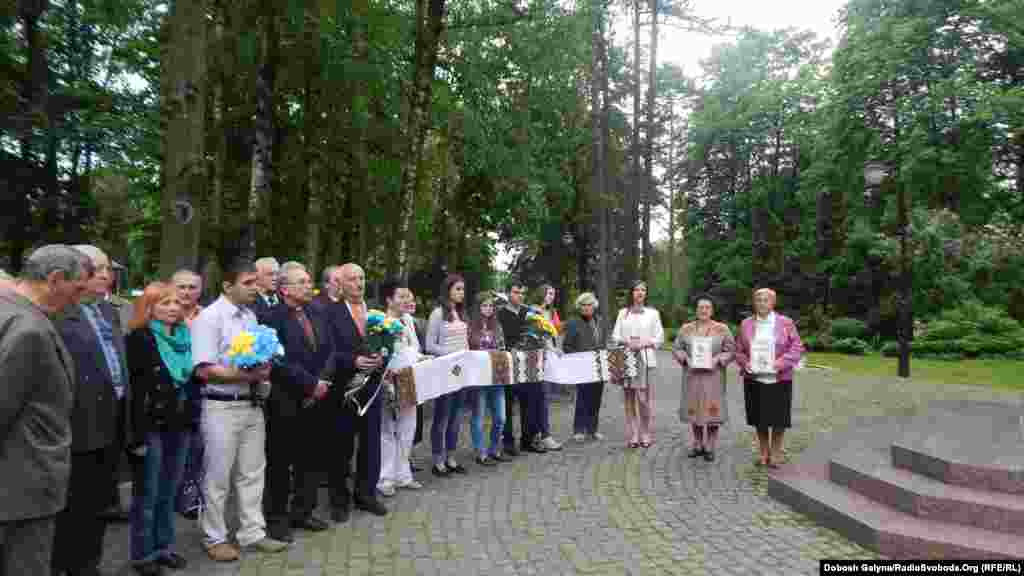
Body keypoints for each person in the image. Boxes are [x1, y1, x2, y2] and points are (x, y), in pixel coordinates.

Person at [191, 258, 289, 562]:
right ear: (227, 286)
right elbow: (204, 369)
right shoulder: (209, 318)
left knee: (252, 471)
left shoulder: (250, 316)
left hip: (251, 403)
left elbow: (258, 356)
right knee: (217, 476)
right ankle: (214, 537)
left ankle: (252, 532)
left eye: (256, 283)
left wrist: (264, 368)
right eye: (248, 283)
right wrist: (246, 375)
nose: (255, 288)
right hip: (220, 405)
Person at [0, 245, 88, 576]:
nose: (79, 300)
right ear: (55, 279)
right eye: (77, 289)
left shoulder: (9, 310)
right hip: (23, 484)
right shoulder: (29, 329)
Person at [53, 245, 134, 576]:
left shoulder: (107, 310)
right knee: (74, 508)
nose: (104, 275)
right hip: (78, 429)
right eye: (95, 269)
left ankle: (89, 565)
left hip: (111, 423)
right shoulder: (57, 314)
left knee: (100, 506)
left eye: (107, 269)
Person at [124, 282, 200, 575]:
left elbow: (192, 381)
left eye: (176, 303)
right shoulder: (139, 338)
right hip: (151, 425)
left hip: (180, 424)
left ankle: (163, 547)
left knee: (169, 491)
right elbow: (134, 391)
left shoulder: (185, 336)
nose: (172, 308)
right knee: (148, 493)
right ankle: (143, 554)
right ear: (149, 307)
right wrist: (136, 435)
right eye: (164, 303)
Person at [262, 262, 334, 542]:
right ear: (284, 289)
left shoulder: (317, 311)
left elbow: (329, 350)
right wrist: (309, 384)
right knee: (280, 462)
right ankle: (277, 518)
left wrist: (322, 381)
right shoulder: (271, 318)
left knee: (311, 457)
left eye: (309, 281)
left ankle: (303, 511)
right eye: (301, 282)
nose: (308, 286)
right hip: (287, 399)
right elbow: (278, 360)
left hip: (318, 397)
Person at [319, 263, 388, 521]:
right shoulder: (330, 312)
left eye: (362, 278)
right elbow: (327, 351)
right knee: (341, 446)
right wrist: (353, 361)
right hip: (344, 389)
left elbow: (387, 343)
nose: (359, 283)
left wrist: (383, 356)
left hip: (372, 389)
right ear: (341, 284)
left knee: (371, 443)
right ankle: (339, 500)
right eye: (352, 279)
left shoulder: (376, 312)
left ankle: (366, 494)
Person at [734, 288, 804, 469]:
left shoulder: (785, 323)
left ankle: (776, 452)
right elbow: (738, 350)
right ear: (754, 303)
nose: (762, 303)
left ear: (773, 303)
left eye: (766, 300)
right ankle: (763, 452)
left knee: (779, 418)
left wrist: (780, 363)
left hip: (779, 378)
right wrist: (745, 363)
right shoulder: (746, 324)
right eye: (758, 299)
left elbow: (797, 347)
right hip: (755, 378)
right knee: (759, 417)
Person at [672, 296, 735, 462]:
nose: (704, 310)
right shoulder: (686, 329)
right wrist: (686, 358)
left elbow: (731, 350)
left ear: (712, 310)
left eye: (707, 307)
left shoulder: (722, 329)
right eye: (701, 307)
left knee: (713, 410)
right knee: (696, 409)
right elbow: (677, 348)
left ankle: (711, 445)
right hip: (692, 376)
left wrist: (718, 359)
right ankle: (698, 443)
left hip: (713, 377)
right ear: (696, 310)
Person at [377, 280, 425, 496]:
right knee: (387, 430)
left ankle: (403, 475)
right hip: (389, 382)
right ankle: (385, 478)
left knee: (408, 428)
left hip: (411, 380)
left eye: (408, 296)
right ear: (389, 300)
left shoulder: (408, 321)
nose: (407, 301)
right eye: (402, 297)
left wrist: (422, 358)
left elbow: (412, 349)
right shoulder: (381, 323)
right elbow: (381, 354)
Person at [425, 273, 471, 477]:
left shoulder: (462, 313)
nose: (461, 293)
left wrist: (466, 354)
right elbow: (429, 345)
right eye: (457, 289)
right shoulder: (437, 313)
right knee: (442, 415)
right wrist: (452, 354)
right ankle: (438, 461)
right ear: (448, 290)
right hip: (444, 370)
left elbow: (465, 341)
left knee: (457, 415)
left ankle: (451, 458)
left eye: (463, 289)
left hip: (461, 370)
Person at [611, 280, 665, 449]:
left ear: (646, 294)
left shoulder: (653, 314)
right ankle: (633, 433)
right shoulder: (623, 313)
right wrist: (627, 341)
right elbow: (615, 336)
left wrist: (644, 343)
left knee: (643, 399)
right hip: (626, 358)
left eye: (643, 290)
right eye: (636, 290)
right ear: (631, 293)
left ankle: (646, 432)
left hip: (645, 358)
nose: (640, 292)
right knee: (628, 398)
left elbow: (659, 338)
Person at [467, 292, 508, 465]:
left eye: (491, 305)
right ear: (478, 307)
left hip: (497, 375)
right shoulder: (470, 326)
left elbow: (502, 346)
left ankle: (494, 448)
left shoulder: (497, 326)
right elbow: (468, 351)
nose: (488, 309)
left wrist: (500, 352)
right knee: (479, 416)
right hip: (479, 377)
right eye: (484, 305)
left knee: (501, 417)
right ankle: (481, 452)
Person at [563, 292, 605, 442]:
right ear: (579, 307)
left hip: (598, 365)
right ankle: (579, 430)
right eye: (584, 305)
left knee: (596, 398)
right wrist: (578, 358)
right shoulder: (573, 323)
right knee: (582, 397)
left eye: (589, 305)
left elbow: (602, 342)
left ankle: (592, 429)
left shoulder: (599, 321)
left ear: (594, 306)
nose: (587, 307)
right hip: (582, 366)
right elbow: (567, 346)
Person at [498, 281, 529, 456]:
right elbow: (499, 338)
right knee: (508, 403)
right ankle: (508, 442)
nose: (520, 296)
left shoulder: (527, 313)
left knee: (527, 402)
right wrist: (509, 349)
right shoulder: (501, 314)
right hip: (508, 363)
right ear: (508, 293)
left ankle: (527, 440)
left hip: (527, 363)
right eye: (516, 292)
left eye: (522, 293)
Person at [530, 284, 563, 451]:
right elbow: (538, 336)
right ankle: (544, 436)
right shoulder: (534, 311)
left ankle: (541, 435)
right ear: (541, 293)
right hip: (536, 358)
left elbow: (554, 334)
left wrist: (556, 348)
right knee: (540, 397)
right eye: (549, 293)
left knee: (544, 397)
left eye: (553, 294)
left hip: (548, 358)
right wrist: (552, 348)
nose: (551, 296)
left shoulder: (550, 312)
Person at [403, 289, 427, 470]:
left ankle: (408, 457)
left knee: (416, 420)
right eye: (406, 299)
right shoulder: (395, 322)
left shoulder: (413, 321)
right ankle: (403, 461)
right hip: (404, 374)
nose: (411, 303)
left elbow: (417, 347)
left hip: (417, 373)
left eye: (413, 300)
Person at [250, 257, 281, 324]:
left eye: (277, 274)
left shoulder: (285, 298)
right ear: (256, 277)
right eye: (270, 274)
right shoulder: (249, 303)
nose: (275, 278)